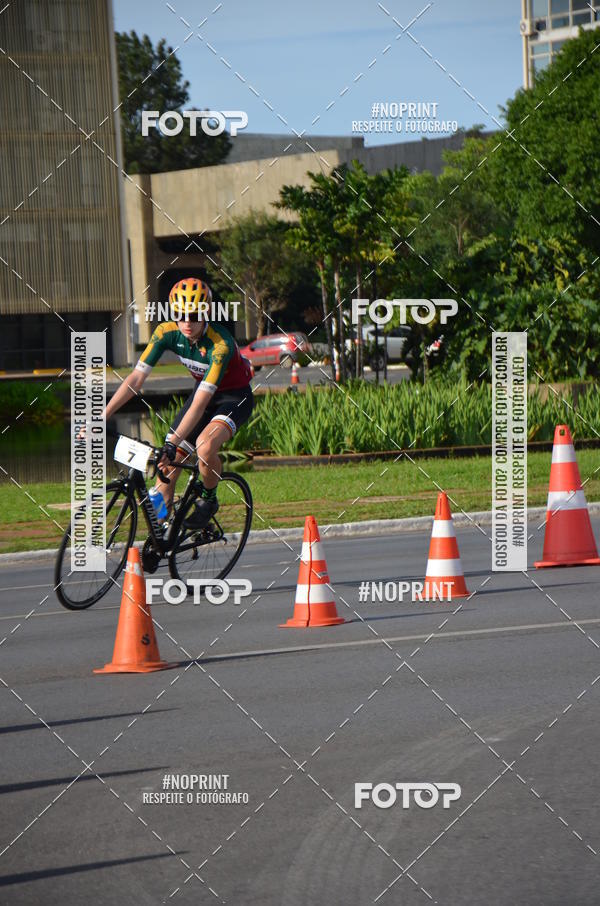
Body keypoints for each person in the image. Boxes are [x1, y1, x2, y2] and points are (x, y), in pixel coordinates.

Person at [104, 277, 253, 529]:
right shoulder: (166, 332)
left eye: (193, 316)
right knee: (166, 469)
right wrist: (102, 416)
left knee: (204, 446)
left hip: (234, 397)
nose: (186, 322)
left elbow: (200, 403)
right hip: (202, 394)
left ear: (206, 313)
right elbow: (136, 378)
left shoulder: (221, 344)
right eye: (180, 315)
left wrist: (172, 443)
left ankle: (208, 499)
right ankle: (163, 533)